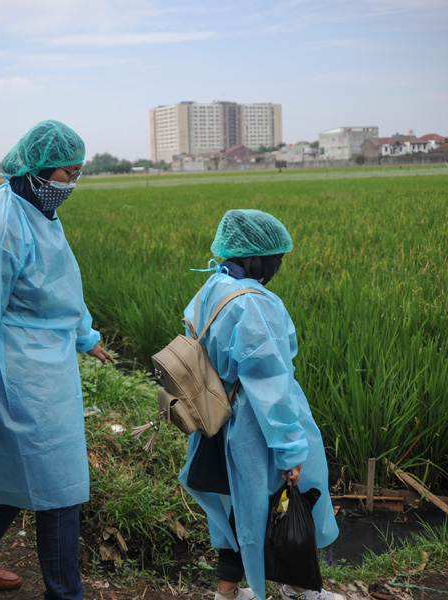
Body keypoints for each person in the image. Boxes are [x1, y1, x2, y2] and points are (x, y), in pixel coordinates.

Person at [0, 120, 114, 600]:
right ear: (36, 169)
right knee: (58, 490)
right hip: (17, 374)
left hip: (45, 366)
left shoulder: (36, 207)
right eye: (66, 173)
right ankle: (65, 594)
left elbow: (59, 281)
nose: (71, 185)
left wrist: (84, 335)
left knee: (18, 472)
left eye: (78, 174)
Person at [178, 210, 342, 600]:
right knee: (285, 504)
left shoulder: (213, 287)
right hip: (254, 427)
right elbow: (270, 383)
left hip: (217, 419)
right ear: (260, 259)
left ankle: (227, 592)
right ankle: (301, 588)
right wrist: (290, 451)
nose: (276, 269)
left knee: (236, 506)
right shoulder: (253, 303)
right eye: (276, 261)